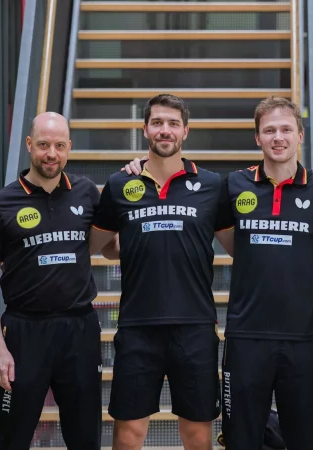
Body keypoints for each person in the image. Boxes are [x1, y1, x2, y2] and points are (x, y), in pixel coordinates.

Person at [122, 96, 313, 450]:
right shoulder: (231, 186)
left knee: (306, 440)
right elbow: (190, 207)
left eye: (285, 129)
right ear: (257, 138)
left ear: (300, 136)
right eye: (269, 130)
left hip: (306, 341)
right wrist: (144, 166)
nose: (278, 137)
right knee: (242, 440)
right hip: (246, 339)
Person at [88, 94, 234, 450]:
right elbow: (99, 244)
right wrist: (131, 247)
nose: (164, 130)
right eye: (157, 123)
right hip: (138, 327)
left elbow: (239, 249)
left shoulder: (213, 186)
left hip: (195, 327)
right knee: (128, 433)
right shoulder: (122, 185)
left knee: (197, 434)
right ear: (145, 129)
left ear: (185, 130)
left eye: (172, 123)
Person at [0, 112, 103, 449]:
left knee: (85, 438)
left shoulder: (87, 193)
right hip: (23, 334)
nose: (52, 154)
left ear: (69, 148)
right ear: (30, 144)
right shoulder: (0, 204)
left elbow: (112, 246)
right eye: (44, 145)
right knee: (12, 437)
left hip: (80, 331)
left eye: (60, 146)